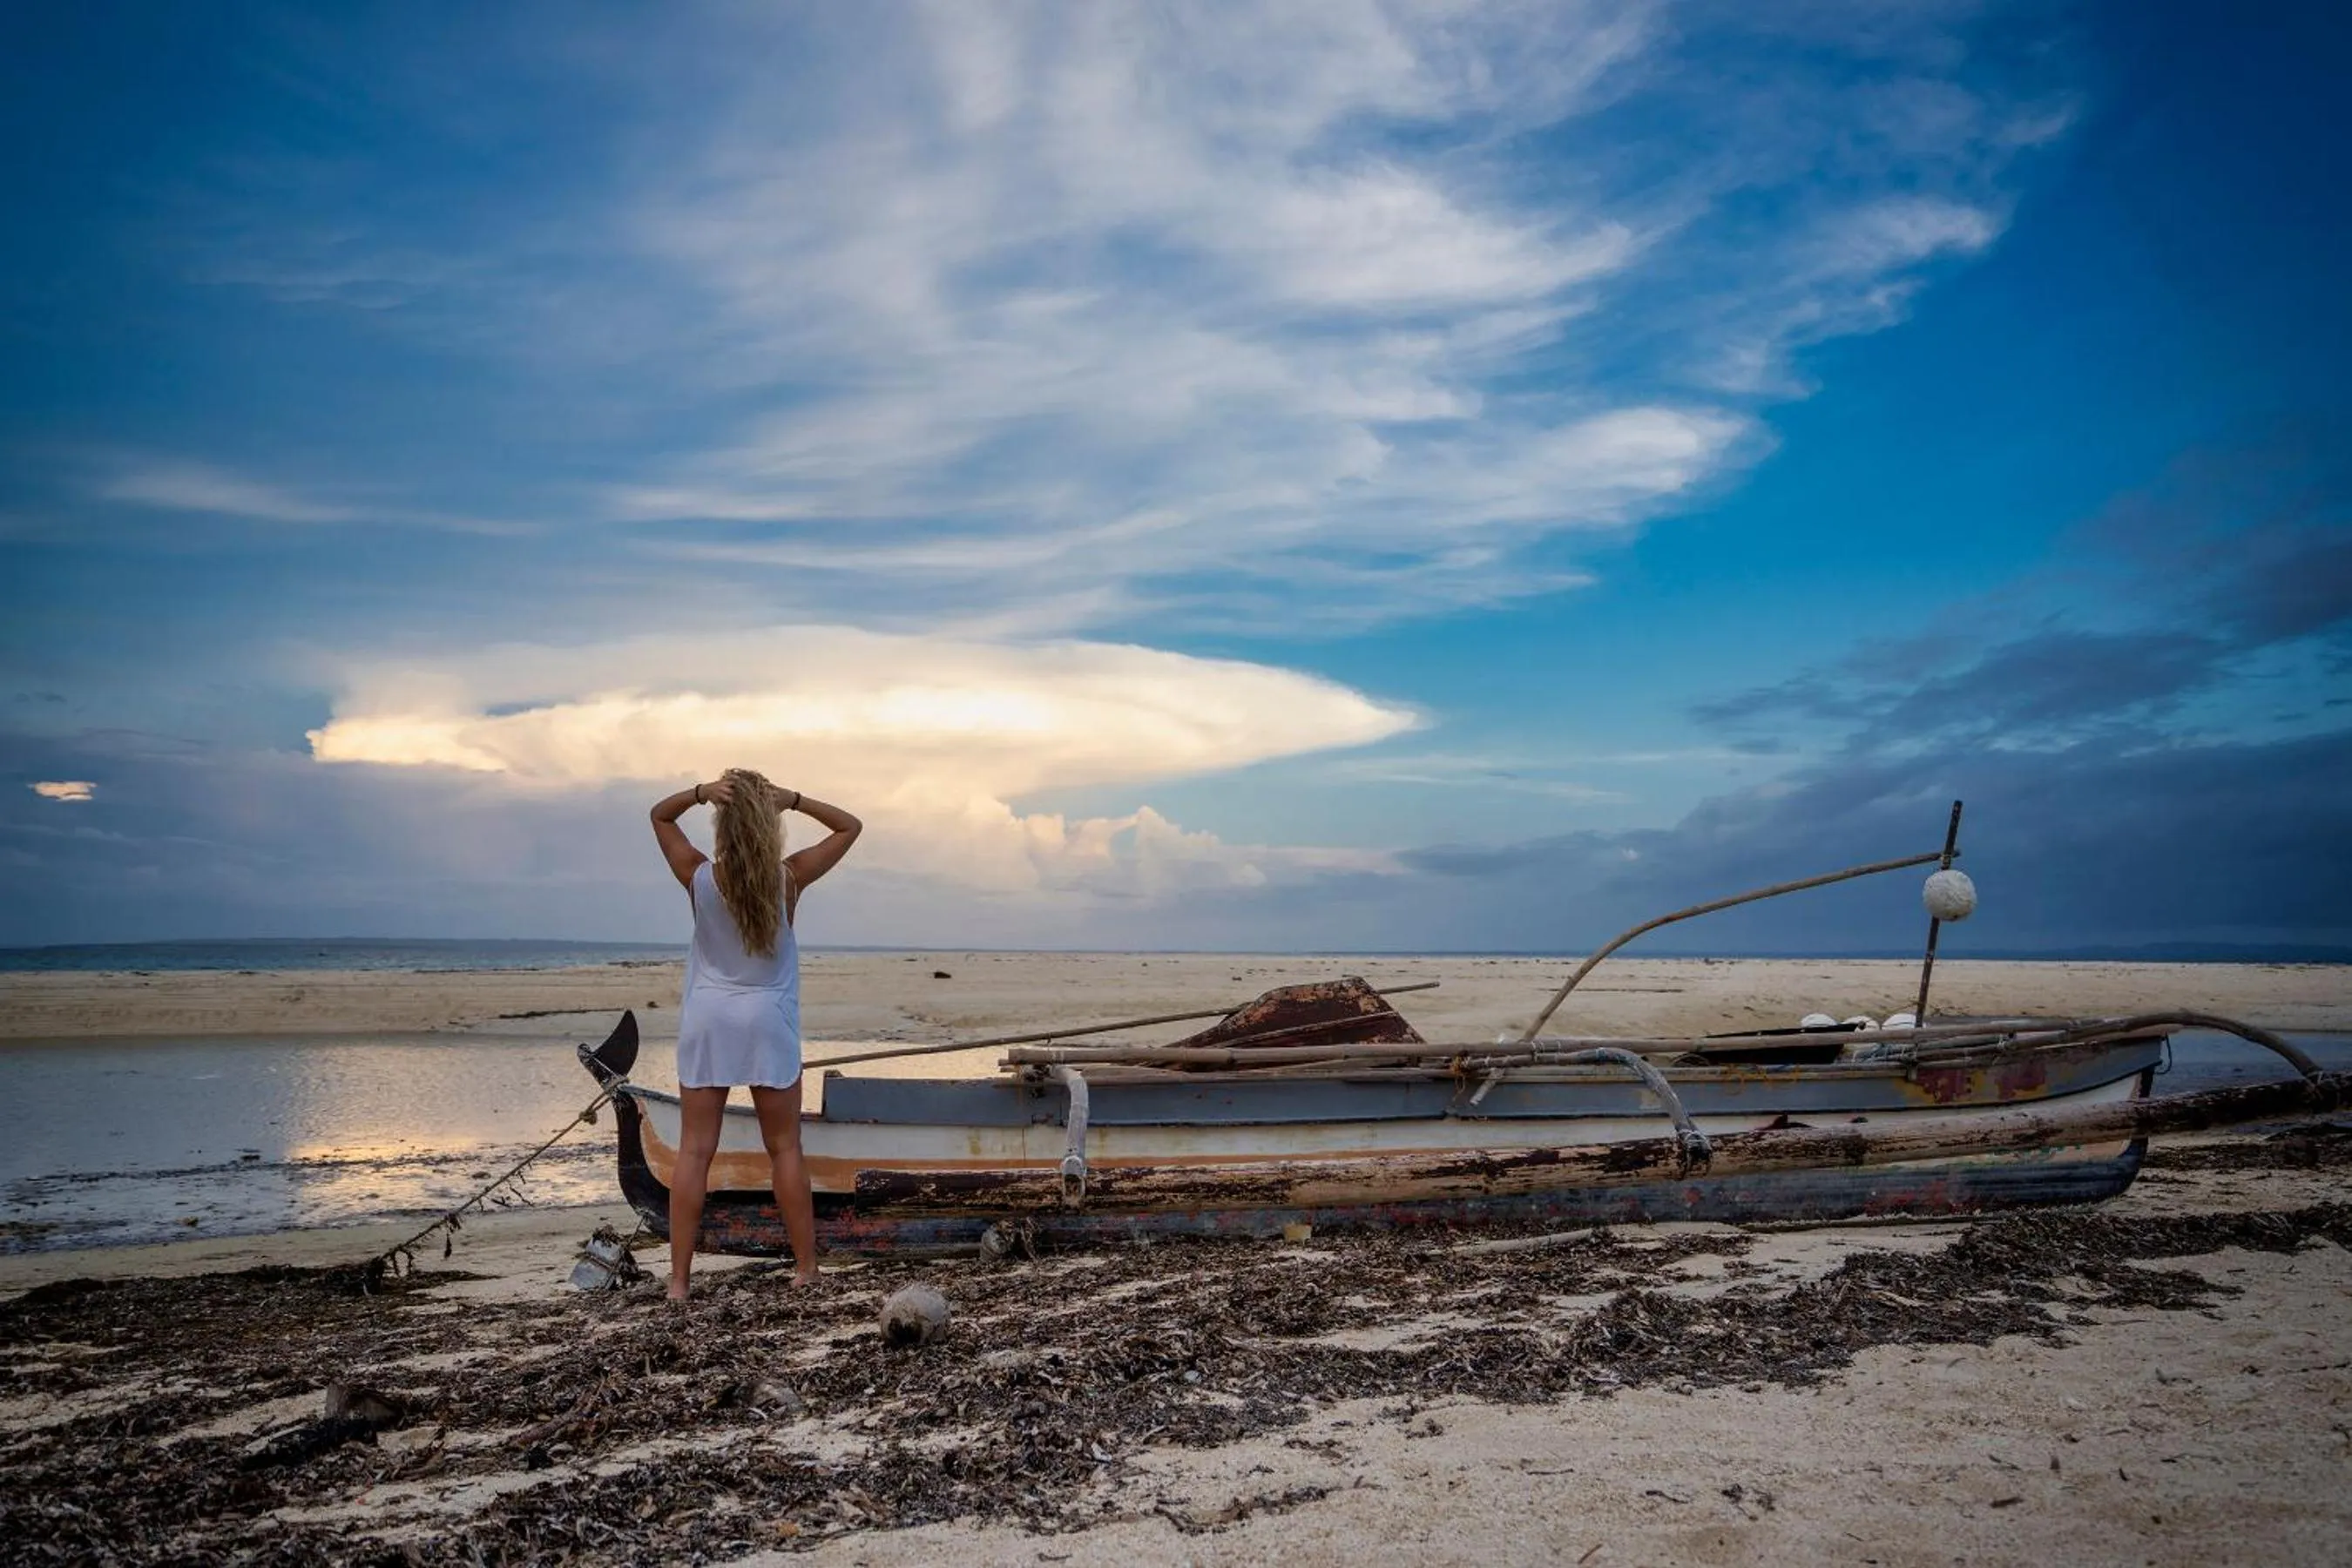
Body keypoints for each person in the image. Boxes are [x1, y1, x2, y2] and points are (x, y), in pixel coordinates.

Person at [649, 769, 862, 1299]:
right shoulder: (787, 879)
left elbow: (659, 814)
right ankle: (806, 1268)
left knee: (695, 1151)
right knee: (785, 1148)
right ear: (768, 823)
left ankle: (678, 1282)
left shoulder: (699, 878)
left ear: (721, 824)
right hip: (767, 1021)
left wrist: (699, 793)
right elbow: (849, 827)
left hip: (709, 1020)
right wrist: (792, 799)